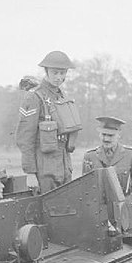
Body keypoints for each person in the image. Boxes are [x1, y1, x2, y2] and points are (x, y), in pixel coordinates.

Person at [16, 50, 81, 193]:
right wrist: (30, 173)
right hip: (44, 171)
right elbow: (25, 138)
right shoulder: (34, 97)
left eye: (62, 73)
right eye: (55, 73)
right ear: (46, 71)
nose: (59, 77)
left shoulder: (61, 96)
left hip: (64, 168)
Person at [82, 116, 132, 200]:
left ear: (119, 135)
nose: (106, 139)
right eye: (103, 134)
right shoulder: (90, 156)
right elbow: (86, 189)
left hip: (123, 208)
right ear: (99, 134)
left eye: (111, 135)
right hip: (99, 209)